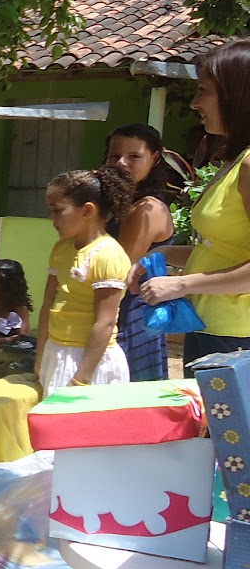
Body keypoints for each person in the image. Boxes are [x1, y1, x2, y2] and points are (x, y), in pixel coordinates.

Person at [135, 41, 250, 363]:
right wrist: (162, 254)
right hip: (210, 328)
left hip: (236, 339)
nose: (195, 103)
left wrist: (181, 285)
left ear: (236, 95)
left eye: (203, 91)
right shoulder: (233, 161)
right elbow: (225, 251)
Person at [37, 167, 133, 392]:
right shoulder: (62, 248)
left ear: (87, 210)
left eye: (57, 210)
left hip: (88, 362)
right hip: (57, 351)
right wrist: (40, 358)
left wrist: (81, 378)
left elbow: (105, 322)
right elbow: (48, 304)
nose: (51, 218)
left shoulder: (107, 255)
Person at [103, 123, 178, 379]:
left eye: (134, 156)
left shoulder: (147, 209)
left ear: (154, 159)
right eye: (114, 156)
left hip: (131, 315)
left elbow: (119, 272)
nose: (121, 163)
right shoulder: (121, 205)